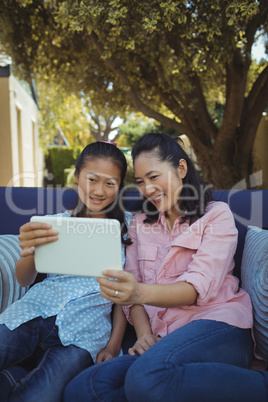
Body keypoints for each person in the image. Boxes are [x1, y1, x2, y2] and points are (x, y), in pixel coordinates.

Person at [63, 132, 255, 402]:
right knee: (85, 388)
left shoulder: (216, 215)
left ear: (181, 168)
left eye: (154, 177)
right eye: (141, 182)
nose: (148, 189)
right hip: (164, 339)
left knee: (147, 379)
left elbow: (195, 289)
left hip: (219, 324)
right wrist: (143, 334)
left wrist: (137, 292)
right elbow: (131, 294)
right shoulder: (140, 225)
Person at [0, 141, 132, 402]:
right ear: (77, 177)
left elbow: (126, 297)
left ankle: (12, 380)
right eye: (92, 179)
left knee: (36, 397)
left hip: (84, 333)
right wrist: (29, 252)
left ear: (119, 186)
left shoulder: (129, 231)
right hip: (33, 313)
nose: (98, 191)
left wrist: (114, 345)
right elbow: (23, 279)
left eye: (110, 183)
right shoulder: (54, 224)